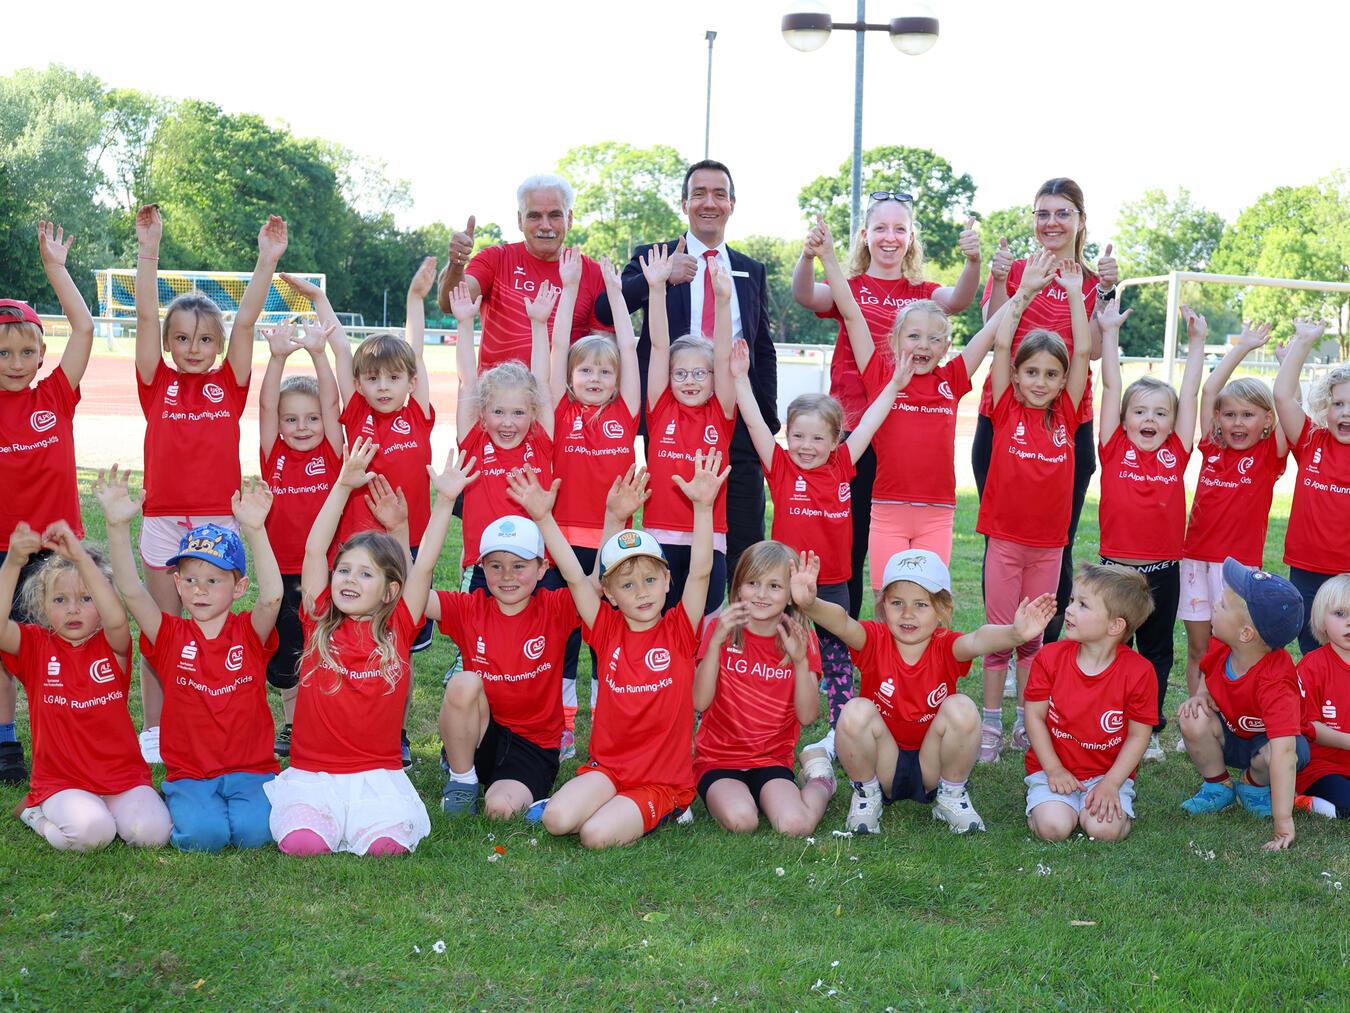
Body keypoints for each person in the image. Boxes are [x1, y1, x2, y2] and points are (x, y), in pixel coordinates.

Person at [265, 439, 472, 856]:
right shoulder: (318, 617)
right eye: (343, 570)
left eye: (364, 574)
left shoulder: (399, 625)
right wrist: (342, 484)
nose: (348, 580)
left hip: (376, 774)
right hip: (314, 774)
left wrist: (445, 500)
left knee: (386, 847)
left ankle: (372, 821)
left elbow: (426, 564)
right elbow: (312, 549)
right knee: (302, 843)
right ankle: (314, 817)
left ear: (389, 591)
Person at [132, 204, 284, 763]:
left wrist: (266, 260)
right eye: (181, 338)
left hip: (217, 523)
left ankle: (210, 716)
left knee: (214, 626)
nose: (192, 348)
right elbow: (146, 318)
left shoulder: (231, 384)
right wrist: (150, 251)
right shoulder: (156, 386)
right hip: (163, 520)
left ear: (216, 347)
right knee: (163, 628)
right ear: (169, 344)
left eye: (202, 339)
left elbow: (245, 322)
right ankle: (156, 729)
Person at [519, 451, 728, 849]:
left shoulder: (680, 629)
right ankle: (608, 801)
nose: (642, 592)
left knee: (596, 836)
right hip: (611, 769)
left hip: (661, 780)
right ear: (610, 594)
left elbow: (701, 571)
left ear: (668, 580)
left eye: (650, 579)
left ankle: (672, 808)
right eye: (627, 585)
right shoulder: (605, 628)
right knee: (557, 819)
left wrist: (703, 507)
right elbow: (576, 578)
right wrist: (544, 518)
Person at [791, 194, 983, 618]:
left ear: (911, 237)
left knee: (886, 546)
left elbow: (961, 299)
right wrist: (809, 256)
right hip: (851, 436)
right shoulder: (852, 287)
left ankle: (887, 636)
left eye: (899, 229)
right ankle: (849, 634)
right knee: (850, 542)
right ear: (865, 235)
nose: (889, 237)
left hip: (898, 438)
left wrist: (972, 263)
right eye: (880, 228)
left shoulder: (922, 292)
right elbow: (805, 293)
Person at [595, 159, 778, 587]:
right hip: (669, 420)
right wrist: (660, 279)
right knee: (672, 546)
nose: (709, 203)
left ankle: (742, 641)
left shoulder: (750, 268)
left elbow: (763, 350)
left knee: (745, 544)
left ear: (732, 203)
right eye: (699, 193)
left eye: (719, 194)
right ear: (684, 203)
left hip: (733, 418)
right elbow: (606, 309)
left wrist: (765, 421)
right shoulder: (655, 256)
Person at [793, 548, 1055, 836]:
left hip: (934, 765)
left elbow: (979, 639)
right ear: (883, 607)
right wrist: (811, 604)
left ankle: (950, 795)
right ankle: (867, 796)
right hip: (883, 765)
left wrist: (1014, 635)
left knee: (963, 707)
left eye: (921, 604)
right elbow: (842, 622)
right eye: (897, 603)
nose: (908, 614)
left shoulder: (946, 646)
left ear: (942, 609)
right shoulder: (874, 641)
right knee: (855, 709)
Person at [99, 468, 283, 852]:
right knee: (204, 838)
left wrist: (256, 530)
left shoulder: (249, 632)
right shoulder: (169, 635)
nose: (200, 590)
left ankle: (238, 805)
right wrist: (117, 527)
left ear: (238, 587)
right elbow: (132, 592)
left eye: (213, 580)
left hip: (251, 770)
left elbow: (272, 598)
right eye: (190, 579)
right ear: (177, 584)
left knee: (257, 835)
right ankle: (192, 805)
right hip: (191, 774)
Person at [727, 337, 897, 734]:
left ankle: (842, 724)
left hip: (833, 586)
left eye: (818, 438)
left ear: (836, 441)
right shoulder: (781, 466)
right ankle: (771, 709)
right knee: (781, 651)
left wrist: (896, 382)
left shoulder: (843, 465)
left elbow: (871, 420)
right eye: (798, 436)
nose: (806, 446)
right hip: (784, 585)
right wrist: (739, 379)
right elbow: (753, 421)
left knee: (837, 657)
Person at [976, 178, 1119, 644]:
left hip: (1066, 424)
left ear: (1081, 221)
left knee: (1057, 542)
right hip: (1004, 420)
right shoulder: (1017, 270)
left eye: (1062, 213)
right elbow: (991, 326)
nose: (1052, 222)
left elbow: (1092, 351)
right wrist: (999, 280)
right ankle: (1004, 641)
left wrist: (1104, 291)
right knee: (997, 541)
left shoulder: (1095, 280)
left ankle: (1047, 645)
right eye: (1043, 213)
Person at [976, 253, 1091, 761]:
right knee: (1001, 633)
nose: (1041, 381)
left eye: (1051, 374)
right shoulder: (1005, 409)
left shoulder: (1066, 413)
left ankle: (1026, 718)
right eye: (1031, 372)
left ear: (1062, 381)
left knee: (1034, 638)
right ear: (1017, 377)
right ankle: (990, 723)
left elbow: (1083, 352)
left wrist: (1071, 291)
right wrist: (1023, 294)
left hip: (1048, 548)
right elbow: (1002, 340)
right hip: (1004, 542)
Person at [2, 521, 171, 851]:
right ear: (43, 605)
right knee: (92, 834)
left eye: (86, 598)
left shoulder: (111, 646)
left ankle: (106, 807)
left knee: (152, 834)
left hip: (121, 776)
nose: (73, 609)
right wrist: (11, 562)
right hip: (62, 780)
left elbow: (119, 619)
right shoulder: (35, 646)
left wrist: (81, 559)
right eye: (61, 599)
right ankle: (35, 813)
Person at [0, 221, 94, 784]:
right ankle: (5, 742)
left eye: (25, 351)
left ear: (41, 355)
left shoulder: (55, 396)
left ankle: (63, 736)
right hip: (3, 553)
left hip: (57, 554)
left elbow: (83, 326)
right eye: (3, 351)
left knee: (61, 648)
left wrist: (56, 269)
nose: (14, 361)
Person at [1095, 301, 1203, 761]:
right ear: (1123, 420)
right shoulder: (1113, 448)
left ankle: (1150, 730)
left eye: (1161, 414)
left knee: (1157, 654)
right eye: (1141, 412)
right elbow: (1112, 382)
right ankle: (1107, 721)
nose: (1150, 421)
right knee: (1112, 649)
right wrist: (1110, 331)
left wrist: (1196, 344)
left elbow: (1192, 395)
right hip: (1116, 572)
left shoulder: (1176, 452)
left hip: (1163, 570)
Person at [1178, 312, 1288, 742]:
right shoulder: (1212, 448)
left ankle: (1231, 718)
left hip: (1236, 571)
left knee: (1232, 649)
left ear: (1266, 422)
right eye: (1229, 415)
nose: (1237, 423)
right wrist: (1241, 346)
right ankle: (1198, 721)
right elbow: (1209, 390)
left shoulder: (1269, 456)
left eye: (1248, 415)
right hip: (1194, 561)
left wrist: (1284, 362)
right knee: (1198, 647)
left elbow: (1286, 401)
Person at [548, 250, 639, 749]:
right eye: (586, 372)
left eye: (606, 372)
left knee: (607, 641)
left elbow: (625, 340)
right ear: (570, 377)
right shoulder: (559, 410)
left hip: (615, 544)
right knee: (562, 643)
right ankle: (562, 727)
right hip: (561, 545)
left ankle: (607, 723)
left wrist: (615, 288)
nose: (596, 379)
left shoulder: (625, 410)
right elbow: (561, 341)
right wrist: (567, 289)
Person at [693, 540, 832, 837]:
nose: (761, 594)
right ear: (738, 585)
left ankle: (821, 780)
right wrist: (716, 643)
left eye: (774, 586)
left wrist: (799, 661)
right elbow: (700, 702)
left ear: (791, 595)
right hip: (719, 760)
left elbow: (807, 717)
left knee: (795, 825)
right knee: (743, 821)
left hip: (772, 760)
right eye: (752, 583)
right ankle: (744, 797)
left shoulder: (800, 638)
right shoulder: (720, 628)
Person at [1177, 558, 1308, 851]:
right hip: (1231, 733)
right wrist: (1199, 694)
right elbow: (1208, 673)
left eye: (1222, 605)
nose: (1214, 605)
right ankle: (1218, 786)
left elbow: (1286, 753)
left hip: (1269, 744)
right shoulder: (1222, 644)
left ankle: (1253, 785)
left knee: (1282, 751)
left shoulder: (1276, 682)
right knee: (1192, 716)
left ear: (1246, 633)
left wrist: (1283, 820)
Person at [257, 319, 344, 758]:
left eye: (311, 419)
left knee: (328, 646)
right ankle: (293, 724)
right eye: (292, 419)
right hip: (282, 575)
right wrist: (276, 358)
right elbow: (266, 406)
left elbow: (332, 402)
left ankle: (331, 719)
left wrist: (317, 354)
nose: (303, 426)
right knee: (289, 654)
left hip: (327, 574)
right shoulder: (273, 454)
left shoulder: (332, 454)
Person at [1023, 564, 1158, 843]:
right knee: (1053, 828)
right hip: (1053, 765)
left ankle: (1104, 805)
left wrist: (1111, 784)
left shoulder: (1140, 672)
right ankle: (1046, 806)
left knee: (1104, 830)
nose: (1069, 610)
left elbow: (1138, 735)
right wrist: (1054, 769)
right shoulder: (1049, 658)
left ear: (1115, 626)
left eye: (1083, 605)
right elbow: (1034, 717)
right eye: (1072, 600)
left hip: (1106, 774)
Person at [638, 243, 736, 616]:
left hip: (708, 538)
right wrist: (657, 289)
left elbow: (724, 355)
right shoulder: (661, 407)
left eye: (699, 373)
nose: (689, 381)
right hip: (660, 537)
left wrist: (724, 301)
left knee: (704, 625)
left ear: (713, 380)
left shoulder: (721, 412)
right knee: (661, 623)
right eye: (681, 374)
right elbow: (660, 346)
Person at [435, 175, 611, 371]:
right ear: (520, 220)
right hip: (497, 398)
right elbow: (450, 303)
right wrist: (456, 264)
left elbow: (605, 351)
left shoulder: (592, 273)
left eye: (555, 215)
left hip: (561, 399)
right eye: (534, 216)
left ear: (569, 219)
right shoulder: (496, 259)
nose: (545, 226)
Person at [1274, 318, 1350, 654]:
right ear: (1326, 407)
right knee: (1312, 648)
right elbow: (1283, 396)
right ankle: (1316, 707)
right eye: (1339, 404)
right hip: (1306, 570)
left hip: (1347, 573)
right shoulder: (1311, 441)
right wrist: (1302, 343)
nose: (1346, 413)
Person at [1293, 575, 1350, 819]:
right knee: (1347, 805)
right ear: (1320, 619)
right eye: (1340, 613)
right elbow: (1309, 726)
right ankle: (1299, 799)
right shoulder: (1311, 667)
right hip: (1322, 766)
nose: (1349, 622)